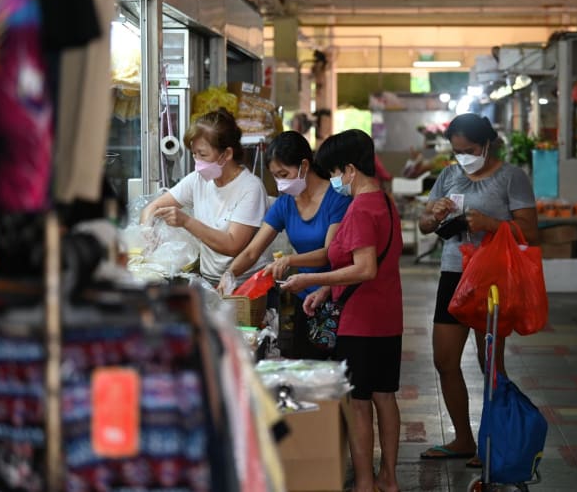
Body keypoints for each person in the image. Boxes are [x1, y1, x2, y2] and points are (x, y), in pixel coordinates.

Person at [280, 129, 403, 492]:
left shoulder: (361, 209)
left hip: (360, 322)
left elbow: (365, 267)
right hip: (388, 316)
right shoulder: (385, 202)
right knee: (385, 397)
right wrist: (326, 291)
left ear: (349, 169)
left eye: (335, 172)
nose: (334, 180)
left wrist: (310, 280)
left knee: (358, 404)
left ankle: (364, 483)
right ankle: (388, 478)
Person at [417, 113, 538, 464]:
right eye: (456, 151)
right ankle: (463, 439)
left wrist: (491, 224)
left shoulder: (511, 177)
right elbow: (424, 225)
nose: (463, 157)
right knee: (444, 360)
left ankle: (493, 441)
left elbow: (530, 232)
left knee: (490, 364)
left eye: (469, 150)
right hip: (454, 274)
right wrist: (435, 216)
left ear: (487, 144)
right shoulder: (449, 175)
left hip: (492, 277)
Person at [216, 130, 351, 359]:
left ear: (304, 165)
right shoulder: (286, 204)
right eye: (275, 177)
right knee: (306, 371)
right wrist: (229, 274)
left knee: (341, 373)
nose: (280, 183)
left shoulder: (337, 199)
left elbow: (328, 254)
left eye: (284, 174)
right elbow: (252, 251)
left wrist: (289, 260)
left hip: (336, 295)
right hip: (305, 299)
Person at [141, 108, 269, 286]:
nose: (197, 162)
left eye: (203, 155)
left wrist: (186, 221)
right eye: (194, 154)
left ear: (227, 154)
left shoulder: (250, 188)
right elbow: (152, 208)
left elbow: (233, 245)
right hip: (210, 279)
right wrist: (148, 233)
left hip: (246, 283)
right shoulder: (198, 180)